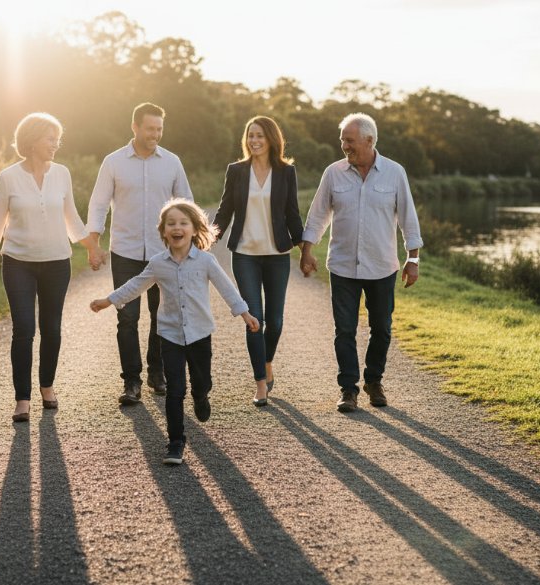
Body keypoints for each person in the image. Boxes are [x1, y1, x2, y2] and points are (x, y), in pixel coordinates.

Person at [91, 199, 259, 465]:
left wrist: (245, 313)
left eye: (183, 223)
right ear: (163, 231)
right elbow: (135, 285)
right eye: (171, 224)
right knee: (175, 390)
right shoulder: (158, 263)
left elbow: (226, 288)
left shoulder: (206, 261)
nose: (177, 227)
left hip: (200, 333)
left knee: (202, 382)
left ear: (194, 229)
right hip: (169, 335)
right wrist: (109, 300)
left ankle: (201, 395)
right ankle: (176, 441)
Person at [0, 112, 101, 422]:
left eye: (57, 138)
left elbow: (71, 216)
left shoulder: (62, 173)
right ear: (31, 141)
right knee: (24, 329)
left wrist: (92, 248)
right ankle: (22, 399)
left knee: (52, 328)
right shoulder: (8, 177)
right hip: (18, 263)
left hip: (57, 262)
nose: (55, 144)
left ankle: (46, 386)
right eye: (50, 138)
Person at [299, 113, 423, 413]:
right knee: (345, 329)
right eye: (343, 139)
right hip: (343, 266)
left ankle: (374, 380)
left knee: (382, 328)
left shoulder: (394, 173)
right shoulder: (333, 173)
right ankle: (348, 388)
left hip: (382, 266)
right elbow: (318, 215)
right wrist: (307, 250)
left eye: (350, 140)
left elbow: (408, 217)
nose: (344, 145)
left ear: (370, 140)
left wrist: (413, 258)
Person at [85, 103, 193, 405]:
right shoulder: (113, 162)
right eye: (150, 129)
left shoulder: (171, 162)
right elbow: (98, 204)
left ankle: (157, 373)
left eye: (159, 129)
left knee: (163, 316)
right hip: (126, 251)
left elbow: (186, 205)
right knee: (127, 317)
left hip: (165, 253)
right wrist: (93, 244)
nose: (155, 134)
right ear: (135, 127)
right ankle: (131, 381)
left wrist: (188, 244)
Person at [212, 116, 303, 407]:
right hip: (245, 255)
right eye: (250, 135)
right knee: (255, 320)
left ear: (271, 139)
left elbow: (292, 213)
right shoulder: (237, 171)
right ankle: (260, 383)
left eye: (260, 136)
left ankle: (266, 361)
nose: (254, 140)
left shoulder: (286, 172)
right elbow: (225, 210)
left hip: (277, 256)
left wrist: (307, 249)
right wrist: (207, 238)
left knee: (274, 322)